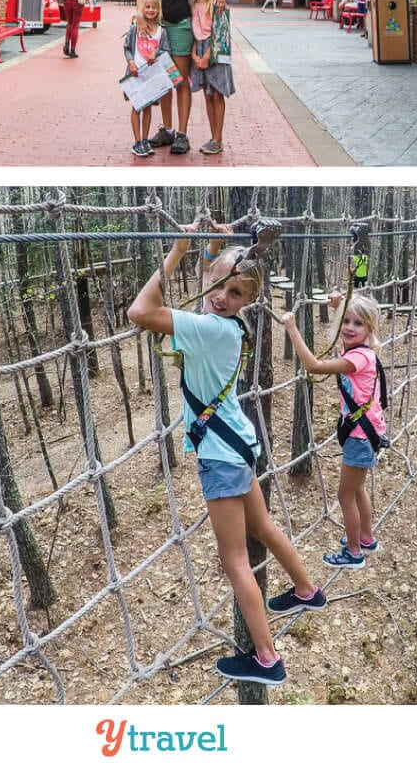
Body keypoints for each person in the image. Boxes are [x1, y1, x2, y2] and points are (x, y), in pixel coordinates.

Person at [128, 226, 327, 687]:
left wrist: (178, 248)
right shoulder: (229, 325)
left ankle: (266, 658)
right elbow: (208, 283)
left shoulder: (209, 328)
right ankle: (306, 589)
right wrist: (213, 251)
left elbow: (140, 312)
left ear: (247, 301)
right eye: (219, 285)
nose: (221, 295)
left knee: (235, 560)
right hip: (240, 445)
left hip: (221, 457)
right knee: (263, 527)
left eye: (235, 293)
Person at [282, 290, 387, 568]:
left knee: (345, 495)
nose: (350, 328)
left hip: (359, 436)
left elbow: (314, 366)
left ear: (370, 328)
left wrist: (293, 330)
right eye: (346, 322)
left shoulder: (359, 358)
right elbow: (351, 324)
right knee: (357, 490)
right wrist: (342, 306)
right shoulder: (360, 351)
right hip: (365, 432)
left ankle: (353, 552)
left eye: (358, 324)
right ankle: (365, 537)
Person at [140, 0, 224, 156]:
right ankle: (166, 129)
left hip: (181, 26)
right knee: (163, 80)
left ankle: (182, 133)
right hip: (158, 27)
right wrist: (141, 19)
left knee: (179, 80)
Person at [189, 0, 235, 156]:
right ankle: (212, 136)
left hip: (214, 48)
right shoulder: (192, 1)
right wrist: (193, 54)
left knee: (217, 94)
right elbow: (192, 28)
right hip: (198, 47)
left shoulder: (217, 2)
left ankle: (218, 138)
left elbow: (220, 30)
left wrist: (207, 55)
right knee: (207, 95)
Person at [122, 0, 171, 158]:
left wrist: (155, 53)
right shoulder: (135, 29)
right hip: (136, 73)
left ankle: (144, 139)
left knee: (148, 108)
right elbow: (127, 47)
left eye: (154, 7)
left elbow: (165, 49)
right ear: (142, 9)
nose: (150, 10)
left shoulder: (161, 31)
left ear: (159, 10)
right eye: (147, 7)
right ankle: (137, 141)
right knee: (136, 107)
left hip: (151, 76)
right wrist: (131, 63)